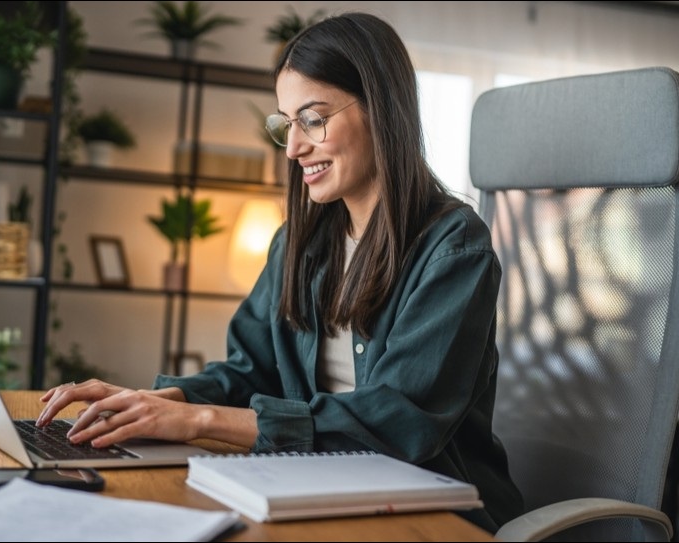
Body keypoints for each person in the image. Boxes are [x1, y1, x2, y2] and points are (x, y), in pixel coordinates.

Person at [36, 12, 523, 532]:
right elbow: (251, 371)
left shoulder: (454, 249)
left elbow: (397, 423)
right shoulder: (300, 242)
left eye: (312, 119)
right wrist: (154, 402)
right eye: (286, 124)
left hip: (434, 514)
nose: (292, 149)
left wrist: (200, 419)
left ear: (382, 109)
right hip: (320, 485)